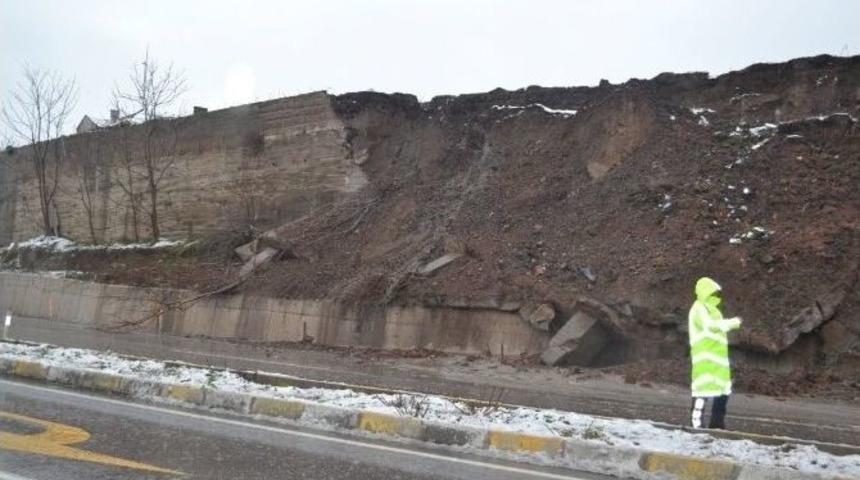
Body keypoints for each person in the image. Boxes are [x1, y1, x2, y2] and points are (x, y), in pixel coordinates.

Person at [688, 277, 742, 429]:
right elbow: (711, 326)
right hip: (704, 359)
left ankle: (717, 424)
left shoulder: (715, 311)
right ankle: (696, 425)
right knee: (702, 391)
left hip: (719, 362)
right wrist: (732, 323)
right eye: (713, 293)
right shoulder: (698, 308)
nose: (717, 297)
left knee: (723, 391)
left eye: (717, 294)